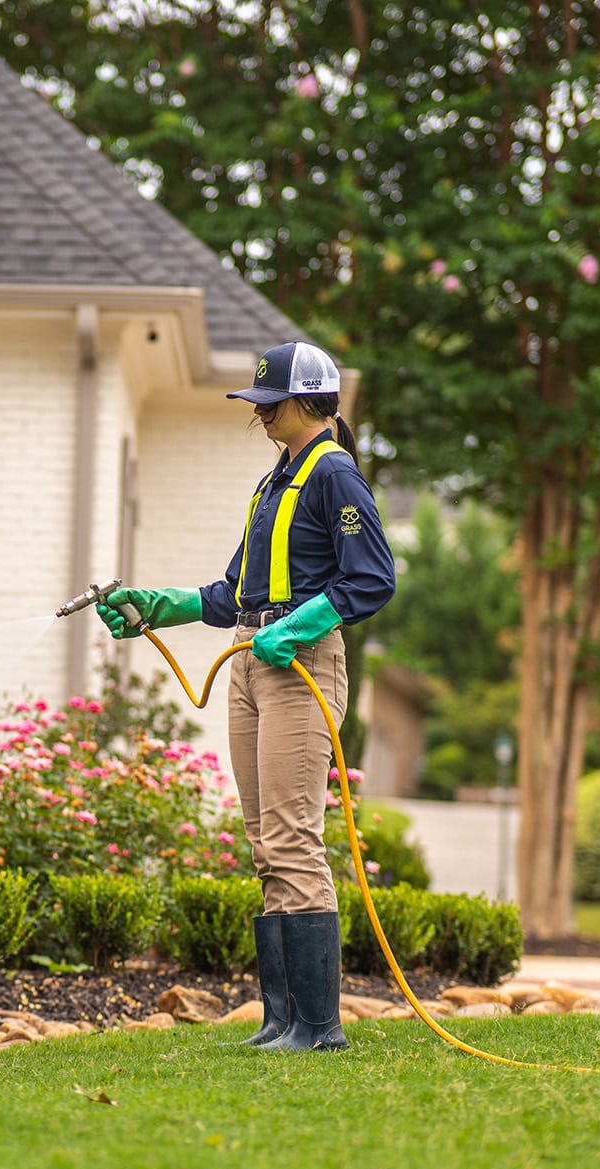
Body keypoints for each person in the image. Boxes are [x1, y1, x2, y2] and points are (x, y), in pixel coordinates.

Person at [98, 341, 394, 1052]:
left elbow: (371, 579)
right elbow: (232, 593)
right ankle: (281, 1019)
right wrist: (156, 605)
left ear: (307, 402)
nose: (259, 414)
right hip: (250, 662)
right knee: (265, 840)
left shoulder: (335, 476)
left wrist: (297, 626)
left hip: (300, 665)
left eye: (269, 402)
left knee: (293, 838)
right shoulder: (272, 486)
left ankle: (319, 1028)